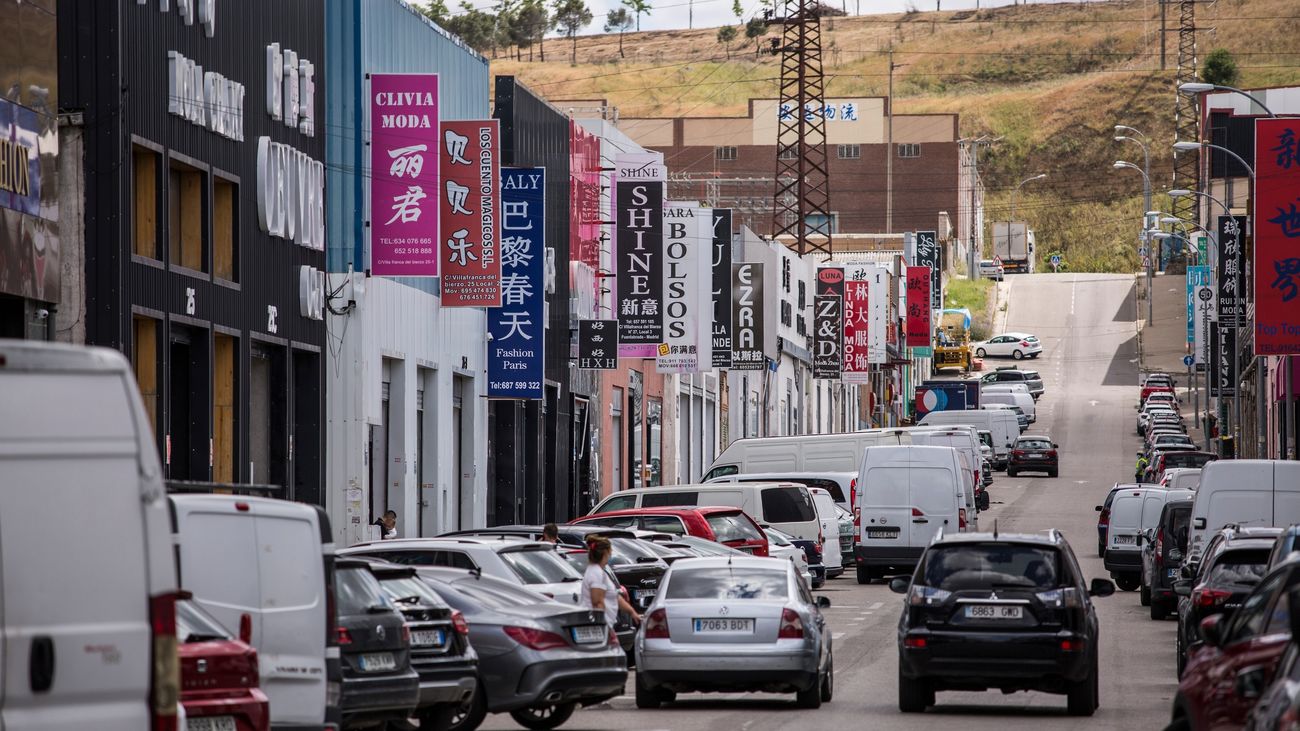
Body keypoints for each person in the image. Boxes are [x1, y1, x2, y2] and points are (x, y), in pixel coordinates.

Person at [581, 536, 640, 627]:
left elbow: (615, 597)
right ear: (605, 553)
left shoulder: (599, 572)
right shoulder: (596, 573)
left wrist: (632, 612)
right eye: (610, 551)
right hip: (601, 627)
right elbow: (597, 602)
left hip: (607, 626)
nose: (611, 553)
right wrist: (603, 625)